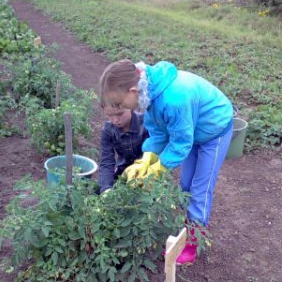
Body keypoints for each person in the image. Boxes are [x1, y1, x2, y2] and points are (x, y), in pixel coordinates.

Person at [98, 59, 233, 265]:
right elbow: (159, 132)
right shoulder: (148, 96)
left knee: (200, 189)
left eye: (120, 104)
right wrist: (147, 158)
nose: (120, 108)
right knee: (186, 185)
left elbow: (180, 144)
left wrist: (159, 168)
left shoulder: (173, 99)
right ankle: (188, 226)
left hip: (215, 131)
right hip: (191, 131)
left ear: (133, 91)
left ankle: (193, 242)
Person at [98, 105, 148, 193]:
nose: (115, 120)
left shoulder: (147, 124)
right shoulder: (108, 130)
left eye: (120, 114)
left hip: (147, 170)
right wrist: (106, 188)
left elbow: (155, 154)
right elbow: (106, 162)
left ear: (131, 106)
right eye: (110, 115)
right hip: (123, 171)